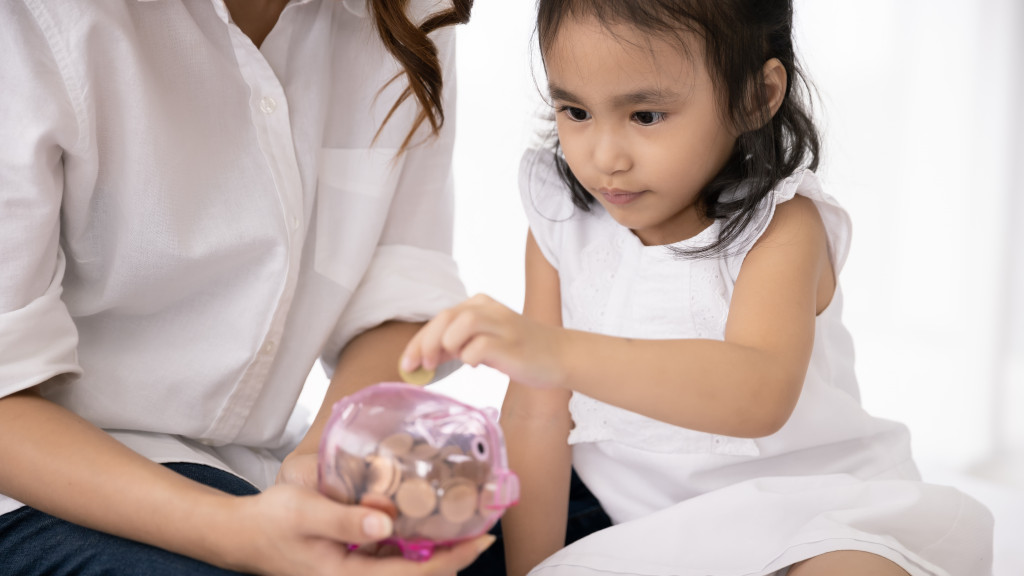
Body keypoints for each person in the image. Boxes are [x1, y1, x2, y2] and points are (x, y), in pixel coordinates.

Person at [401, 1, 996, 575]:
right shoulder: (564, 219)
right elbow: (537, 415)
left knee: (855, 565)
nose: (604, 156)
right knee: (434, 543)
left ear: (754, 96)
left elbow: (756, 393)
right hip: (621, 514)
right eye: (576, 112)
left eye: (646, 116)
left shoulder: (782, 227)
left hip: (805, 506)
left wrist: (553, 354)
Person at [0, 0, 495, 574]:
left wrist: (331, 460)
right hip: (47, 483)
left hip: (259, 469)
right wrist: (241, 534)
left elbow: (402, 292)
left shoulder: (404, 15)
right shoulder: (34, 21)